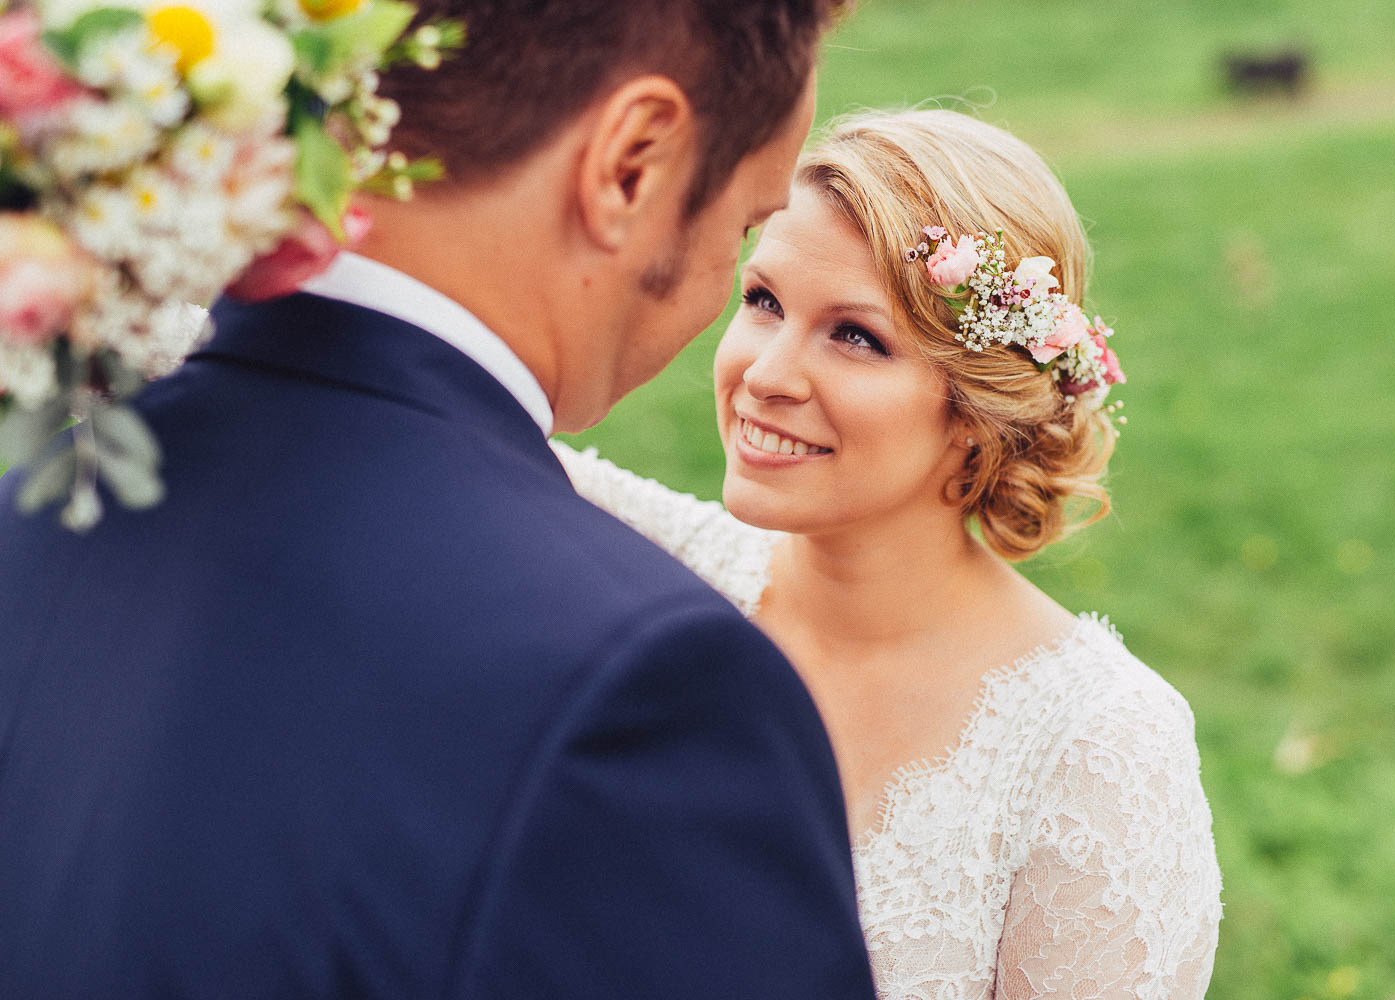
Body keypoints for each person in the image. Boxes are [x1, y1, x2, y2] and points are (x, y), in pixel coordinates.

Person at [0, 2, 879, 998]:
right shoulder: (641, 686)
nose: (727, 280)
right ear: (631, 164)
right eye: (747, 222)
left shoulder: (31, 510)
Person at [554, 109, 1224, 999]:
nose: (765, 374)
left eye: (855, 336)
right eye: (764, 303)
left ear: (976, 409)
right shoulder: (647, 565)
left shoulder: (1094, 753)